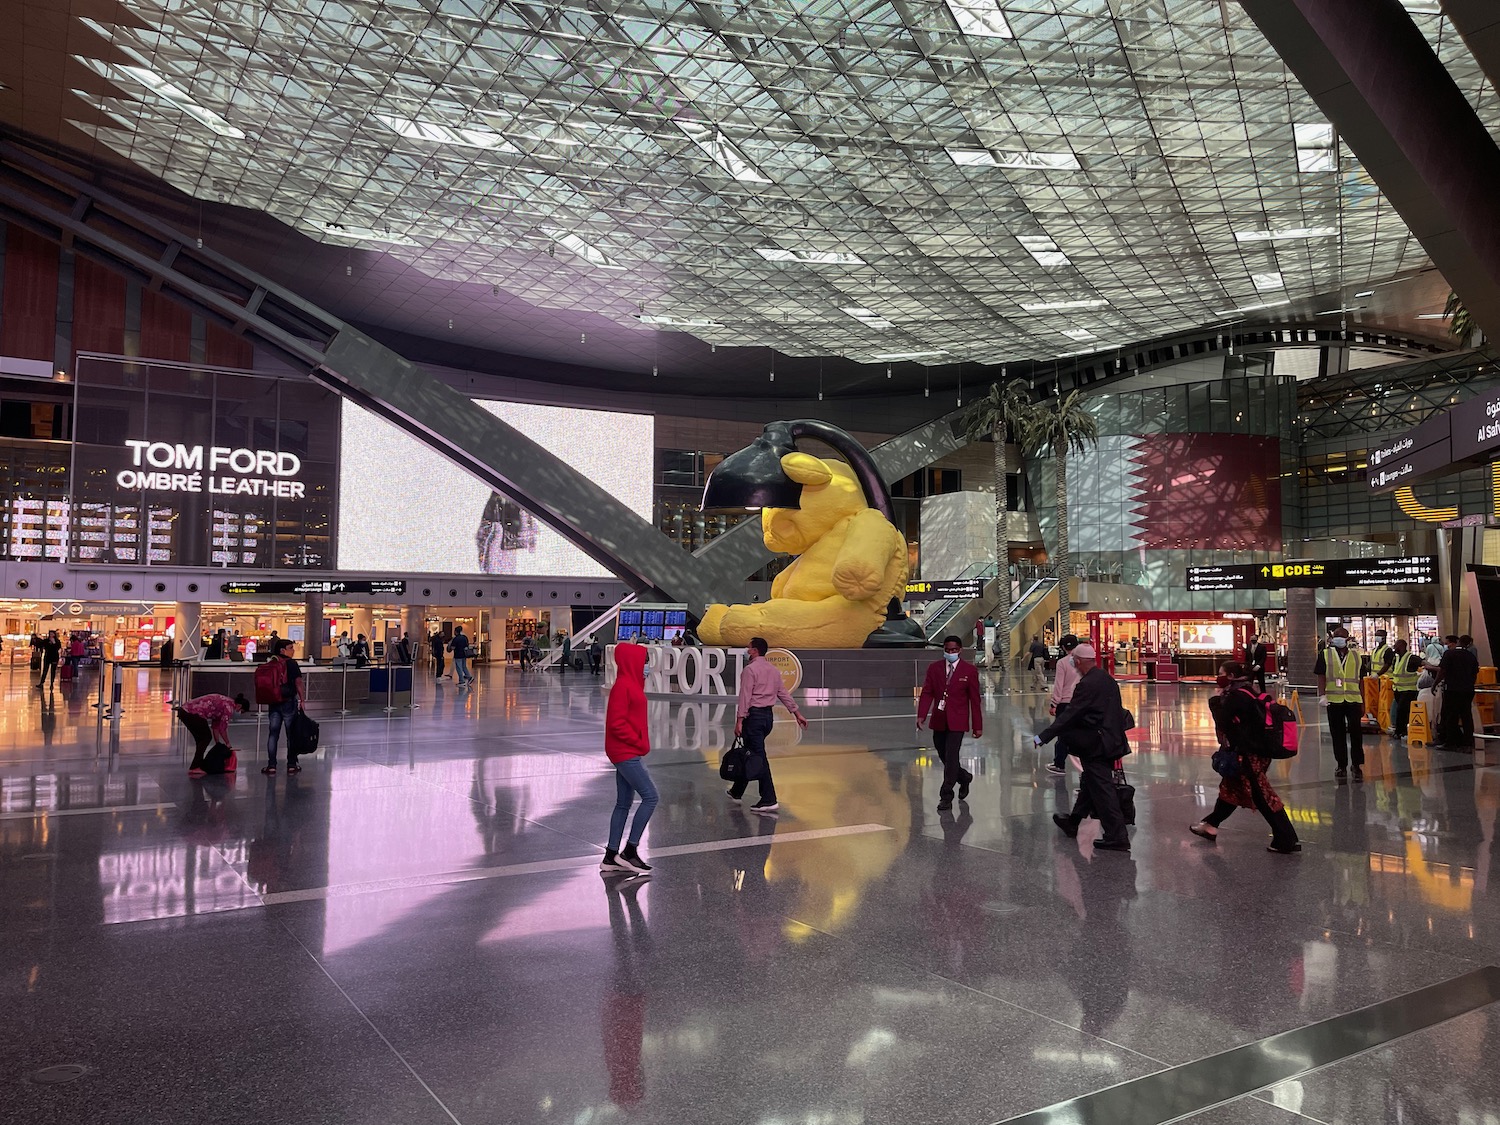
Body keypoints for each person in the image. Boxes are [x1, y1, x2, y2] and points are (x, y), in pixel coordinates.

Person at [1191, 662, 1300, 853]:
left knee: (1261, 794)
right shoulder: (1248, 691)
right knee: (1231, 788)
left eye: (1221, 674)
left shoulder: (1236, 696)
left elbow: (1224, 722)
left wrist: (1215, 703)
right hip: (1254, 750)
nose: (1219, 677)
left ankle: (1286, 838)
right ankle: (1211, 825)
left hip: (1248, 753)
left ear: (1231, 676)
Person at [1033, 644, 1132, 851]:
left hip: (1096, 744)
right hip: (1111, 740)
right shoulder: (1106, 678)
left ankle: (1117, 836)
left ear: (1077, 661)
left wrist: (1044, 736)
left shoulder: (1086, 684)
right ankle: (1073, 822)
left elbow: (1071, 714)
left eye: (1074, 661)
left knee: (1103, 790)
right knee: (1090, 783)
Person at [731, 637, 809, 812]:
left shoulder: (750, 670)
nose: (746, 650)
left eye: (748, 648)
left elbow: (745, 697)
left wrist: (739, 720)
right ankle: (737, 791)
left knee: (758, 756)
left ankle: (769, 798)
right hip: (767, 718)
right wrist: (797, 713)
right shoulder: (773, 670)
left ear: (755, 650)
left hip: (754, 718)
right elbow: (783, 693)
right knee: (751, 751)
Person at [600, 642, 658, 874]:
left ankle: (611, 856)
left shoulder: (631, 684)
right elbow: (616, 724)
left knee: (623, 803)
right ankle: (630, 851)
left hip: (625, 750)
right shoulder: (623, 686)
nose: (647, 666)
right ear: (633, 661)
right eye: (644, 661)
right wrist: (639, 741)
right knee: (651, 797)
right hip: (625, 752)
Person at [917, 635, 984, 811]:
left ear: (960, 650)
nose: (950, 652)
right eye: (947, 650)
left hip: (958, 721)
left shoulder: (969, 671)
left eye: (954, 650)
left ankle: (946, 795)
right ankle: (963, 777)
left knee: (952, 755)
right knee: (944, 755)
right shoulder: (935, 668)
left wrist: (977, 725)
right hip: (939, 718)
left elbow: (975, 700)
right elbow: (927, 693)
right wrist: (921, 715)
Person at [1315, 626, 1364, 781]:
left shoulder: (1357, 656)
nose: (1338, 639)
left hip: (1353, 700)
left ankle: (1356, 765)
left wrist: (1363, 701)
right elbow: (1321, 676)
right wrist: (1322, 695)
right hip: (1334, 700)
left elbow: (1361, 680)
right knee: (1337, 734)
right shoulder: (1325, 654)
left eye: (1342, 636)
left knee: (1356, 734)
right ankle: (1341, 765)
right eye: (1336, 636)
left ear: (1348, 639)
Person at [262, 638, 306, 775]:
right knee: (290, 734)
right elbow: (298, 682)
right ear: (283, 650)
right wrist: (302, 700)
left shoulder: (271, 662)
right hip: (288, 701)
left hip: (274, 702)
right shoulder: (291, 664)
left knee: (273, 734)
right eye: (290, 648)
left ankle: (272, 766)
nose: (293, 651)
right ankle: (292, 765)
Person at [178, 692, 251, 775]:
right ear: (239, 706)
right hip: (192, 713)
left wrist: (217, 743)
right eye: (241, 711)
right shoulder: (229, 708)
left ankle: (197, 764)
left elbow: (216, 727)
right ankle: (195, 767)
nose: (240, 713)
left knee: (201, 739)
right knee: (206, 738)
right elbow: (222, 729)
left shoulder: (227, 702)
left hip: (184, 711)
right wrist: (228, 743)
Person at [1433, 633, 1479, 750]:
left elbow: (1442, 671)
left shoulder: (1449, 654)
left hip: (1452, 689)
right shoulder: (1470, 656)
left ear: (1458, 642)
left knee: (1451, 716)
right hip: (1467, 690)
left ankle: (1451, 742)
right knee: (1466, 716)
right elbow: (1475, 673)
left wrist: (1435, 684)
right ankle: (1467, 743)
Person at [1044, 634, 1083, 775]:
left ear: (1062, 647)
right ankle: (1085, 767)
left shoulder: (1062, 663)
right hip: (1081, 702)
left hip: (1065, 703)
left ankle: (1059, 764)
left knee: (1063, 734)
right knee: (1082, 734)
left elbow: (1058, 685)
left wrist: (1054, 703)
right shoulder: (1084, 661)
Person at [1388, 638, 1422, 740]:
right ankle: (1401, 730)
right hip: (1398, 689)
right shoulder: (1397, 658)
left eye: (1396, 645)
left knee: (1401, 710)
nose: (1394, 647)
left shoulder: (1411, 658)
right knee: (1401, 711)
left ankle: (1400, 731)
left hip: (1409, 690)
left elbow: (1424, 664)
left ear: (1402, 646)